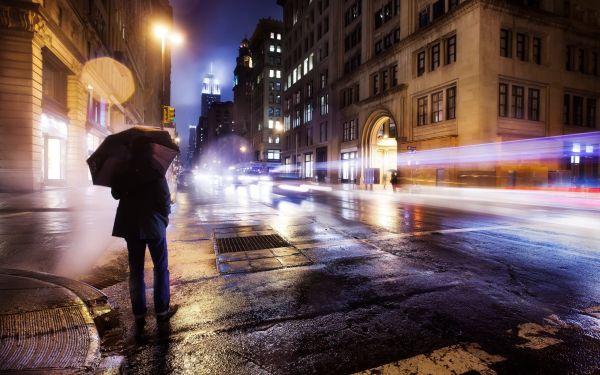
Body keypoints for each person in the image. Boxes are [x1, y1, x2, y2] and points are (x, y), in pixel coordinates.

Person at [111, 137, 177, 334]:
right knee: (160, 267)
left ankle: (139, 313)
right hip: (154, 224)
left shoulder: (123, 169)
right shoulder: (155, 169)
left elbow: (115, 193)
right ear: (150, 150)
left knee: (136, 269)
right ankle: (162, 310)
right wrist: (164, 217)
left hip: (131, 224)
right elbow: (165, 198)